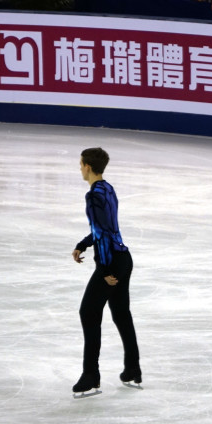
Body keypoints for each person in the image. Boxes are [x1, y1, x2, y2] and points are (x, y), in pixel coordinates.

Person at [71, 147, 141, 395]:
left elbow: (102, 233)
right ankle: (132, 368)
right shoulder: (108, 189)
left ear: (88, 167)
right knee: (121, 313)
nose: (80, 168)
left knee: (88, 312)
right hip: (123, 258)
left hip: (111, 261)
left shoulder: (93, 196)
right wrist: (83, 244)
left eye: (81, 164)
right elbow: (106, 229)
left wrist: (103, 270)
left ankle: (91, 375)